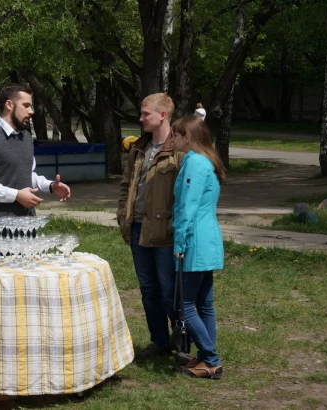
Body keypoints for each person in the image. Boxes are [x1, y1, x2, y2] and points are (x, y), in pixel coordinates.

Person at [116, 93, 185, 361]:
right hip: (138, 229)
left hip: (164, 233)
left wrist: (174, 225)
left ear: (163, 115)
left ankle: (181, 343)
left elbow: (186, 193)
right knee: (148, 291)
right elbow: (126, 186)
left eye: (146, 114)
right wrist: (124, 214)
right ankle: (159, 342)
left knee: (170, 291)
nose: (141, 118)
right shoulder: (139, 147)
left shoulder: (178, 150)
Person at [0, 83, 71, 240]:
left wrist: (50, 186)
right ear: (9, 104)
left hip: (29, 221)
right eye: (26, 105)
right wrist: (15, 195)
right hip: (0, 225)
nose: (32, 111)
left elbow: (27, 174)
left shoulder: (26, 138)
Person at [171, 115, 225, 379]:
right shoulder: (209, 161)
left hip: (195, 241)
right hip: (209, 238)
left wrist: (179, 241)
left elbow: (187, 207)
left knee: (185, 305)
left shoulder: (194, 163)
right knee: (205, 304)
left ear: (187, 137)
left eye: (176, 135)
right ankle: (206, 358)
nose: (172, 139)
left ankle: (211, 359)